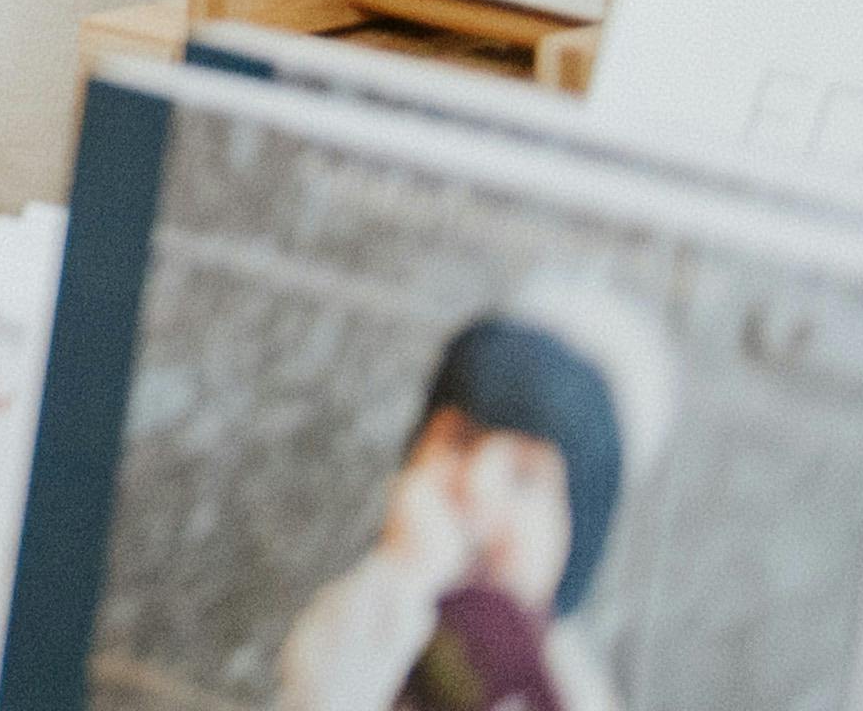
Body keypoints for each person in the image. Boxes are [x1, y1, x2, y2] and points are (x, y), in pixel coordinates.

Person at [272, 277, 675, 711]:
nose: (475, 483)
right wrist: (402, 578)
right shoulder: (368, 614)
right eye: (459, 442)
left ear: (575, 540)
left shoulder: (571, 686)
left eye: (524, 474)